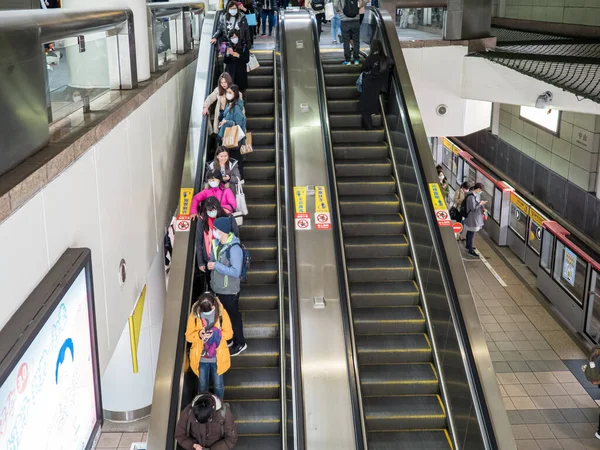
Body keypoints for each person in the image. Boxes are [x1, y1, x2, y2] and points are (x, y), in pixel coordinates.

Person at [208, 217, 247, 357]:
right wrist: (211, 264)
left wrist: (216, 266)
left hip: (229, 290)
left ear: (223, 231)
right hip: (218, 288)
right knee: (224, 317)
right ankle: (230, 340)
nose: (214, 231)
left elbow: (236, 272)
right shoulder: (217, 244)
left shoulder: (235, 248)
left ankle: (240, 343)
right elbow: (214, 261)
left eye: (216, 229)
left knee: (233, 316)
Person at [185, 293, 234, 400]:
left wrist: (217, 334)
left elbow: (229, 333)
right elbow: (188, 336)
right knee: (202, 387)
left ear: (213, 306)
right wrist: (198, 335)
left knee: (218, 386)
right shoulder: (194, 316)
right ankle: (204, 407)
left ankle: (218, 406)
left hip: (218, 358)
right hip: (200, 359)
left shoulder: (221, 313)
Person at [196, 196, 239, 276]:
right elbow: (198, 241)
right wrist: (200, 262)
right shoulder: (202, 220)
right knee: (212, 280)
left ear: (218, 208)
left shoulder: (228, 217)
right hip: (209, 257)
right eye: (208, 210)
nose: (210, 212)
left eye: (212, 210)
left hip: (226, 256)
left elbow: (235, 235)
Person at [358, 39, 393, 130]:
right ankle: (369, 121)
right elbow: (390, 65)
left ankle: (368, 126)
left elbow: (363, 69)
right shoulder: (386, 59)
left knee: (364, 106)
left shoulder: (370, 58)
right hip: (378, 86)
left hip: (368, 84)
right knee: (372, 104)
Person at [218, 85, 247, 178]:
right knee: (232, 156)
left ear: (235, 94)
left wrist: (227, 121)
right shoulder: (229, 104)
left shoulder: (237, 106)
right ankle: (234, 176)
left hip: (234, 137)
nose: (228, 95)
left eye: (230, 93)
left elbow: (240, 122)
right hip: (228, 136)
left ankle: (239, 177)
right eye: (227, 92)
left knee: (236, 157)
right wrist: (223, 122)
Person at [203, 73, 237, 137]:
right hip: (222, 114)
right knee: (222, 135)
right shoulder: (218, 90)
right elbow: (210, 98)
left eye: (225, 82)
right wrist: (205, 107)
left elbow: (240, 106)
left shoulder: (234, 90)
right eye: (221, 82)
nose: (223, 84)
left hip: (232, 115)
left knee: (231, 134)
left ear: (229, 81)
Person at [334, 0, 364, 65]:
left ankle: (348, 61)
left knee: (346, 41)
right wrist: (359, 7)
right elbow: (366, 1)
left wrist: (338, 11)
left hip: (345, 21)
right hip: (356, 20)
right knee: (356, 41)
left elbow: (335, 4)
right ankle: (356, 60)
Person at [463, 182, 487, 257]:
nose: (481, 192)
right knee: (471, 234)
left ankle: (468, 245)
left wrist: (481, 206)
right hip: (472, 218)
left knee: (470, 232)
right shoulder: (471, 197)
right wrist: (480, 203)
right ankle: (470, 249)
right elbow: (473, 208)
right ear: (478, 189)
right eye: (481, 190)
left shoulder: (474, 195)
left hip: (473, 218)